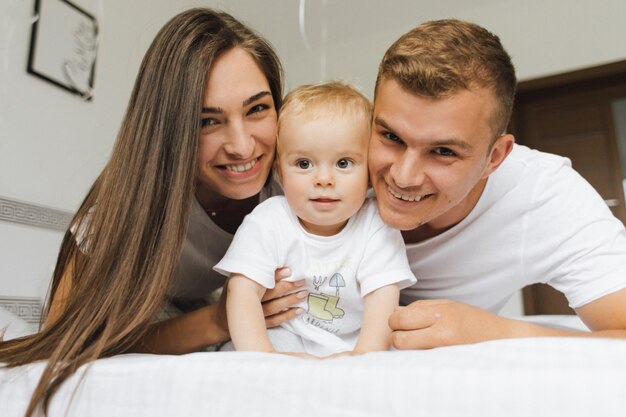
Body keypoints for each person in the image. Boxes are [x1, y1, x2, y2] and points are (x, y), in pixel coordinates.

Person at [0, 8, 303, 417]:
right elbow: (70, 342)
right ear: (171, 129)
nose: (243, 146)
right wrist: (216, 320)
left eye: (257, 109)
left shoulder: (303, 174)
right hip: (136, 309)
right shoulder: (122, 207)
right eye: (207, 121)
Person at [367, 19, 626, 349]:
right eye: (391, 136)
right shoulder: (331, 155)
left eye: (443, 151)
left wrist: (494, 332)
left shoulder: (544, 197)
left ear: (495, 158)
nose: (403, 176)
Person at [215, 82, 416, 357]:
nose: (323, 180)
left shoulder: (375, 223)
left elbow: (383, 299)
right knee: (230, 352)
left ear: (369, 172)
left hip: (357, 340)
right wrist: (261, 358)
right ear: (279, 172)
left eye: (343, 163)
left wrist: (364, 356)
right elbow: (243, 292)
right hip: (288, 337)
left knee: (405, 348)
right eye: (304, 164)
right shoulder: (268, 220)